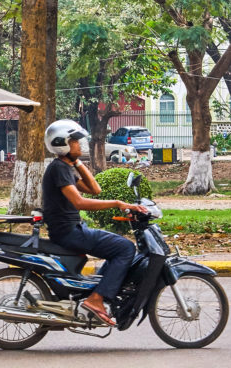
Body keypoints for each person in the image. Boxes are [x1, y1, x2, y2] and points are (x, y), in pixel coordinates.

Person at [41, 119, 146, 327]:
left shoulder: (65, 168)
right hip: (69, 232)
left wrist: (77, 161)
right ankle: (96, 300)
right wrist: (118, 203)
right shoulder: (59, 169)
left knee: (117, 248)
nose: (80, 145)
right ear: (62, 144)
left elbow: (95, 189)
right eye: (75, 142)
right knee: (125, 248)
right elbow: (79, 202)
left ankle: (97, 292)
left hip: (73, 229)